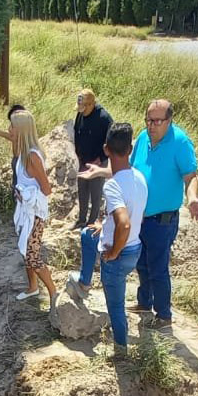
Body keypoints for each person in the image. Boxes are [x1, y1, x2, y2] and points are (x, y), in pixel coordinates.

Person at [80, 99, 198, 329]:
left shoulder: (180, 142)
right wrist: (101, 171)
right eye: (148, 119)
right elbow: (128, 169)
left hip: (162, 220)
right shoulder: (144, 138)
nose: (152, 125)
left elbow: (191, 176)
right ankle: (144, 303)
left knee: (158, 268)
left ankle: (164, 315)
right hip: (141, 217)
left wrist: (193, 198)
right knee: (143, 265)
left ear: (169, 120)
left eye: (158, 121)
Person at [65, 122, 146, 351]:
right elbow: (128, 214)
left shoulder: (112, 187)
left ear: (106, 149)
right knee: (88, 234)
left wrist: (113, 252)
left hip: (120, 253)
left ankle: (121, 350)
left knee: (116, 306)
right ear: (129, 150)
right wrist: (105, 224)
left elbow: (124, 223)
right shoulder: (139, 177)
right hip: (135, 248)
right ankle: (84, 282)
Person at [6, 110, 58, 304]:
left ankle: (53, 293)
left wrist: (25, 195)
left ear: (20, 130)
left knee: (32, 256)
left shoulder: (32, 157)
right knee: (26, 253)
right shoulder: (22, 152)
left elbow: (46, 189)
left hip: (35, 214)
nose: (9, 129)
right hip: (26, 211)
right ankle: (33, 287)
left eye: (12, 126)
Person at [72, 89, 113, 230]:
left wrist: (100, 159)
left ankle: (92, 222)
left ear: (91, 104)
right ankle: (81, 220)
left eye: (84, 108)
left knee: (96, 195)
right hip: (83, 160)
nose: (82, 111)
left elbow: (110, 141)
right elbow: (77, 132)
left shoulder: (104, 118)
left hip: (98, 162)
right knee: (82, 192)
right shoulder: (80, 115)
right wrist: (78, 153)